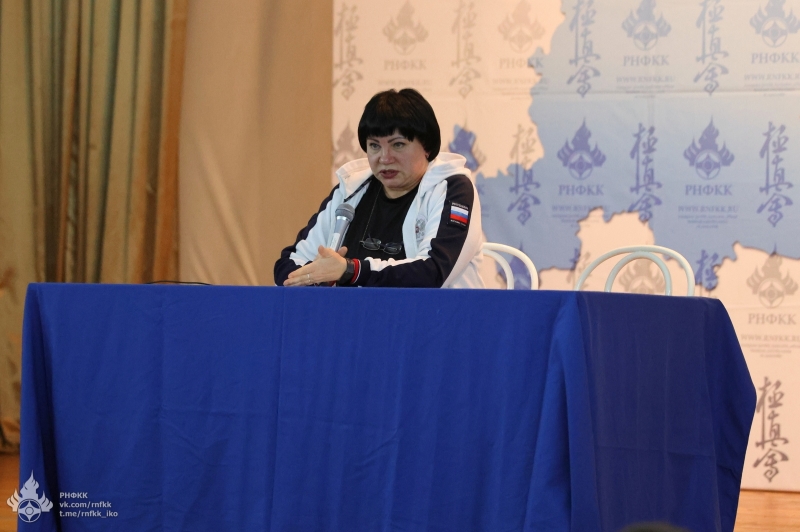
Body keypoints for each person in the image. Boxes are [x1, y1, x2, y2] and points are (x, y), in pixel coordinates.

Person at [274, 88, 484, 288]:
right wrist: (317, 277)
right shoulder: (352, 191)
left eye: (398, 144)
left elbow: (433, 272)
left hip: (439, 312)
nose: (384, 158)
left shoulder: (453, 189)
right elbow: (288, 264)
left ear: (427, 147)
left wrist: (350, 270)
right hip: (356, 312)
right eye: (374, 146)